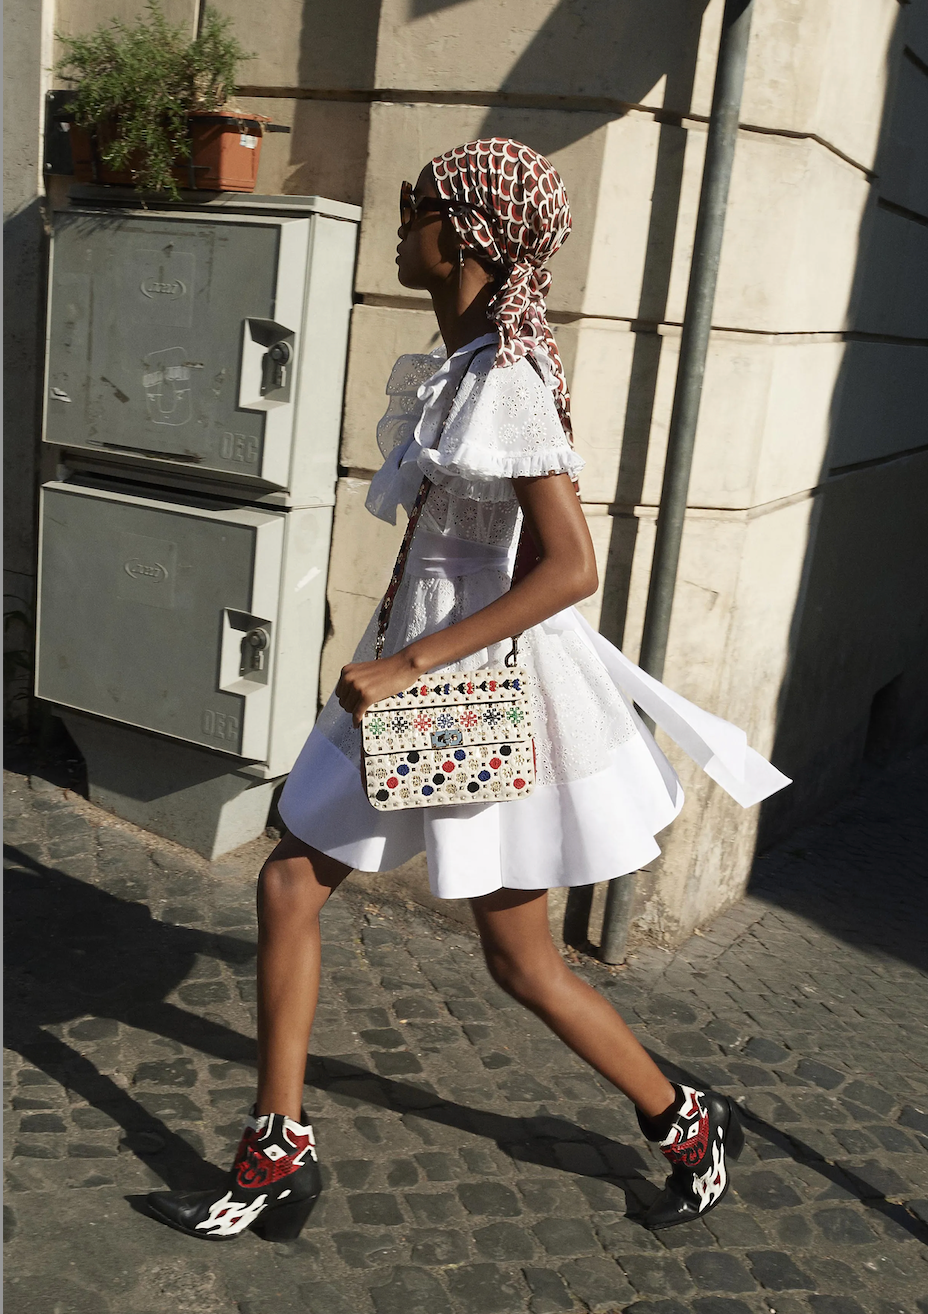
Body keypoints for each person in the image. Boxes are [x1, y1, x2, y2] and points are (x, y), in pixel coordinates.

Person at [147, 138, 789, 1243]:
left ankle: (683, 1118)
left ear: (467, 236)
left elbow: (570, 566)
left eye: (417, 208)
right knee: (294, 885)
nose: (401, 225)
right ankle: (278, 1149)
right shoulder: (465, 363)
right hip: (416, 675)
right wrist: (396, 656)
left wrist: (407, 664)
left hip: (464, 694)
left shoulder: (508, 378)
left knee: (518, 959)